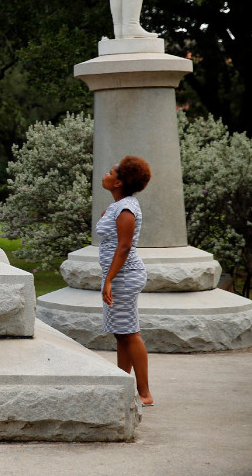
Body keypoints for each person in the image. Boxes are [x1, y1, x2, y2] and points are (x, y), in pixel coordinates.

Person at [98, 154, 154, 405]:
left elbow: (124, 247)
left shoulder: (126, 209)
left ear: (119, 182)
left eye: (111, 173)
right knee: (122, 333)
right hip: (117, 275)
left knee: (130, 333)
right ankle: (124, 384)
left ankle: (144, 393)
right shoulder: (118, 205)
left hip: (124, 276)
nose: (106, 175)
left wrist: (109, 280)